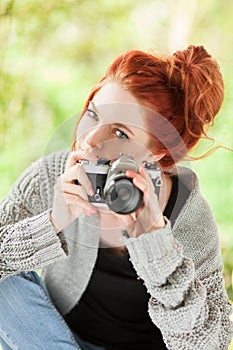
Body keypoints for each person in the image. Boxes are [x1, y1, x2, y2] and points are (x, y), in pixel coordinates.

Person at [0, 45, 232, 350]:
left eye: (120, 133)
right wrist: (52, 222)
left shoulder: (190, 217)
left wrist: (156, 245)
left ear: (157, 151)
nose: (90, 139)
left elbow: (208, 343)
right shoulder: (54, 173)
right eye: (92, 115)